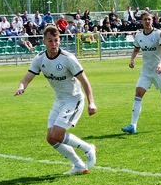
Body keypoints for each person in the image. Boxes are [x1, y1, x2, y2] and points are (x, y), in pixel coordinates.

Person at [14, 24, 98, 175]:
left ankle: (88, 148)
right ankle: (78, 165)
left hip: (74, 99)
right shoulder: (39, 59)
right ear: (44, 42)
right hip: (59, 101)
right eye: (50, 41)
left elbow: (85, 81)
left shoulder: (68, 59)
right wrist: (21, 87)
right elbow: (26, 79)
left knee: (58, 134)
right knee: (51, 138)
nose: (54, 44)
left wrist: (92, 103)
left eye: (56, 40)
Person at [121, 10, 161, 134]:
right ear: (141, 21)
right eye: (145, 19)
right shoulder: (138, 36)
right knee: (138, 94)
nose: (147, 22)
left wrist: (160, 63)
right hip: (146, 72)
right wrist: (132, 59)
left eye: (149, 19)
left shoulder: (158, 34)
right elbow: (136, 49)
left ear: (152, 20)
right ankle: (133, 125)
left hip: (159, 71)